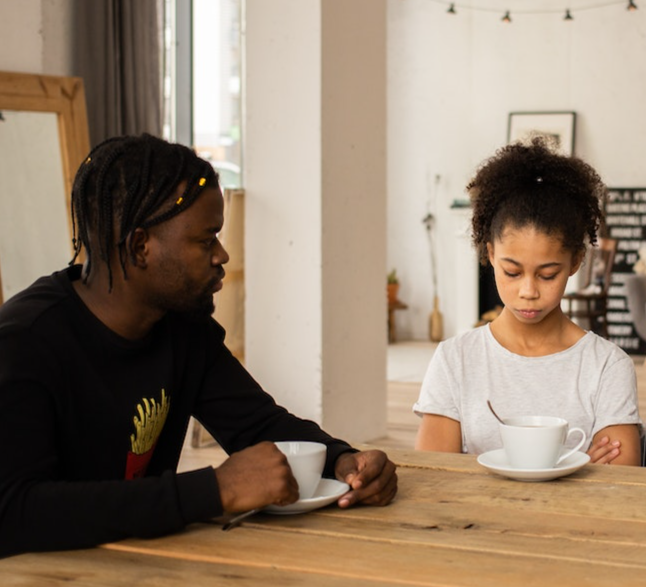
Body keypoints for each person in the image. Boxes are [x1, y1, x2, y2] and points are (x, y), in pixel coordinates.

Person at [0, 134, 397, 557]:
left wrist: (343, 461)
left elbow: (257, 425)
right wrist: (212, 490)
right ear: (140, 247)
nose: (222, 254)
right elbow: (12, 513)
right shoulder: (25, 343)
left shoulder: (183, 329)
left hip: (142, 565)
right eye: (206, 240)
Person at [413, 138, 642, 465]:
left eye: (548, 275)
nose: (528, 291)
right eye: (512, 271)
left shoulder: (607, 366)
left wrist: (483, 464)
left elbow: (620, 485)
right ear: (490, 254)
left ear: (576, 261)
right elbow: (434, 476)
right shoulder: (455, 360)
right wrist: (576, 465)